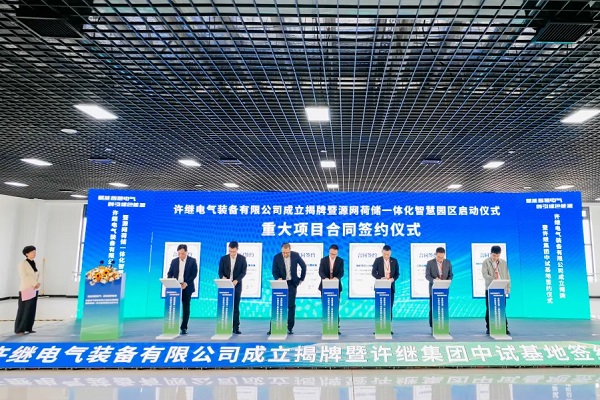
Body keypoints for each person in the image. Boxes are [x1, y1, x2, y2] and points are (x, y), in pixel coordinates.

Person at [269, 243, 307, 335]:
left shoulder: (295, 255)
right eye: (283, 252)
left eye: (287, 253)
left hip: (292, 283)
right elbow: (274, 271)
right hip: (281, 283)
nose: (285, 254)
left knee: (291, 306)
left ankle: (289, 327)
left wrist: (301, 279)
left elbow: (304, 266)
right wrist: (278, 278)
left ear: (290, 250)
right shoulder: (277, 257)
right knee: (278, 305)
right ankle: (273, 327)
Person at [167, 244, 198, 335]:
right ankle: (172, 326)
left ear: (186, 252)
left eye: (183, 253)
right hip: (176, 287)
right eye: (179, 253)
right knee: (173, 307)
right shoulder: (174, 261)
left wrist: (186, 283)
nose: (181, 255)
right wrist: (170, 281)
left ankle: (184, 327)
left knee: (186, 307)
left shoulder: (192, 261)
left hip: (187, 287)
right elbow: (170, 273)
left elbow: (194, 274)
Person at [218, 241, 247, 334]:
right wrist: (223, 277)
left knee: (235, 306)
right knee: (225, 306)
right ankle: (224, 326)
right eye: (230, 251)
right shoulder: (223, 259)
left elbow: (243, 272)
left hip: (236, 285)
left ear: (237, 250)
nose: (232, 253)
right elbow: (220, 271)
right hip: (225, 285)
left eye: (233, 251)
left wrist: (236, 280)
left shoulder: (242, 259)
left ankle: (235, 327)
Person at [482, 245, 511, 335]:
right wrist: (493, 279)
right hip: (490, 288)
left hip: (501, 288)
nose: (495, 257)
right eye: (494, 255)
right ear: (491, 254)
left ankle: (504, 327)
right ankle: (489, 327)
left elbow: (507, 275)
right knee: (489, 308)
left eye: (497, 255)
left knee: (502, 308)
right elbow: (485, 275)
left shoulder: (503, 263)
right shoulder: (486, 262)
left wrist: (508, 287)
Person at [371, 245, 400, 331]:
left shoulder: (394, 261)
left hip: (390, 287)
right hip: (380, 287)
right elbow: (373, 272)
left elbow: (397, 274)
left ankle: (388, 327)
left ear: (390, 253)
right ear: (382, 252)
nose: (386, 256)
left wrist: (393, 279)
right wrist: (381, 278)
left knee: (389, 307)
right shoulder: (378, 260)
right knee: (379, 307)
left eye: (388, 254)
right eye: (385, 254)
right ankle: (378, 327)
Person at [425, 247, 454, 329]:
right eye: (438, 257)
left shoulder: (448, 262)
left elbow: (451, 274)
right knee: (433, 308)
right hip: (434, 289)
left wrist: (448, 281)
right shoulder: (430, 263)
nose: (440, 259)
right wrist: (434, 280)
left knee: (443, 307)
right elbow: (427, 276)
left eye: (442, 257)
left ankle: (444, 326)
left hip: (444, 289)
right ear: (435, 254)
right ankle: (433, 326)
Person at [318, 244, 344, 334]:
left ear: (337, 253)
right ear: (329, 252)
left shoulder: (340, 260)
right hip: (325, 286)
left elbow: (341, 272)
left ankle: (336, 327)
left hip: (336, 287)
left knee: (335, 307)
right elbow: (320, 271)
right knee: (326, 307)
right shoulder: (323, 260)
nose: (333, 256)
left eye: (335, 254)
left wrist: (336, 278)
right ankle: (326, 327)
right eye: (332, 254)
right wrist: (325, 278)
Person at [15, 245, 40, 335]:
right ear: (27, 254)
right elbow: (24, 275)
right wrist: (34, 283)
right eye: (32, 252)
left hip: (34, 289)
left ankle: (28, 327)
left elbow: (37, 274)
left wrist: (37, 283)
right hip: (26, 288)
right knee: (23, 309)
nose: (34, 254)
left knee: (31, 309)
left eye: (35, 252)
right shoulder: (22, 263)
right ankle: (19, 329)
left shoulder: (35, 263)